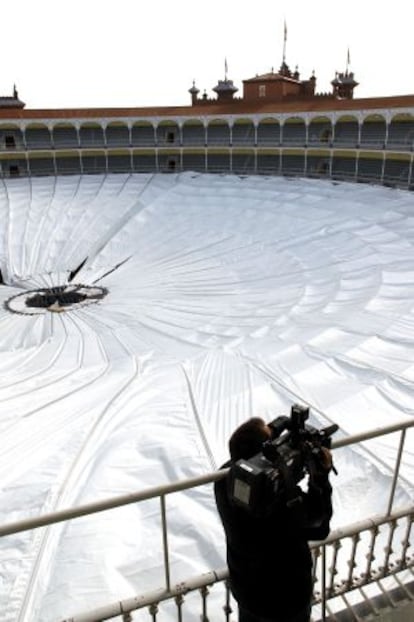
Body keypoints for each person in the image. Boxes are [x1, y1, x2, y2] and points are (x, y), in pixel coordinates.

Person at [214, 416, 333, 622]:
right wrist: (321, 479)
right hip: (287, 600)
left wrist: (275, 432)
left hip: (248, 592)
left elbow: (244, 449)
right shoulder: (283, 499)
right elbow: (320, 527)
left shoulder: (224, 480)